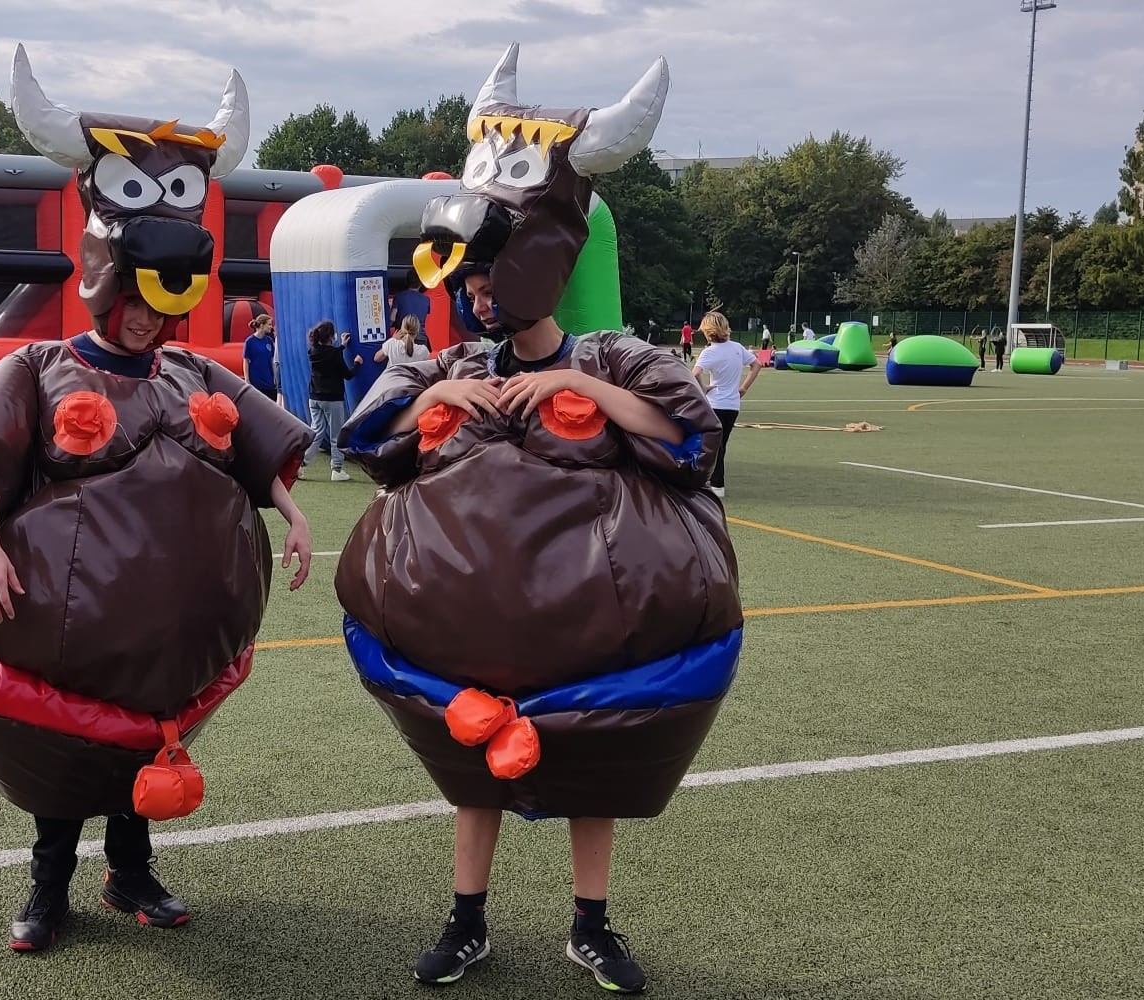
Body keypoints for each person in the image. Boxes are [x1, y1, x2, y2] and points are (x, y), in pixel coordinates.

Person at [335, 46, 741, 995]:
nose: (477, 300)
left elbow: (688, 438)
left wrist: (568, 382)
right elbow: (370, 437)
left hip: (588, 638)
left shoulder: (617, 356)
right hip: (470, 637)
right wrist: (443, 407)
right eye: (469, 288)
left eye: (488, 286)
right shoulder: (452, 366)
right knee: (474, 783)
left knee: (592, 779)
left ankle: (591, 928)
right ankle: (466, 919)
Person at [0, 42, 315, 955]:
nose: (144, 317)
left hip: (166, 630)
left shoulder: (190, 372)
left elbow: (258, 452)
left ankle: (130, 873)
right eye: (132, 299)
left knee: (145, 740)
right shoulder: (40, 366)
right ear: (107, 283)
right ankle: (48, 887)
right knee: (66, 759)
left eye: (156, 303)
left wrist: (293, 515)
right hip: (69, 623)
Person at [692, 311, 762, 499]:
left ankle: (716, 484)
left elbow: (695, 373)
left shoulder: (710, 352)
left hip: (715, 403)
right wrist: (744, 388)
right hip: (732, 405)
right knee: (720, 444)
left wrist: (704, 388)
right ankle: (714, 482)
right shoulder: (737, 348)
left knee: (713, 445)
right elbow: (757, 365)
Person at [302, 320, 362, 482]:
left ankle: (300, 463)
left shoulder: (312, 352)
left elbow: (329, 354)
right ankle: (337, 469)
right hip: (332, 399)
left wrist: (342, 347)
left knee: (317, 431)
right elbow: (348, 375)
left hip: (314, 397)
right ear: (330, 336)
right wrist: (357, 364)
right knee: (336, 435)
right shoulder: (334, 354)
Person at [390, 270, 433, 346]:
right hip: (420, 338)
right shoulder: (426, 299)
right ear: (420, 283)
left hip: (402, 337)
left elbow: (392, 318)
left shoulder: (399, 297)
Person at [242, 314, 277, 399]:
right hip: (256, 381)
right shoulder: (250, 341)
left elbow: (273, 360)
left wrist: (276, 377)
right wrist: (247, 379)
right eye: (269, 324)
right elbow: (246, 361)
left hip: (269, 381)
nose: (271, 327)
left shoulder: (269, 341)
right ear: (262, 325)